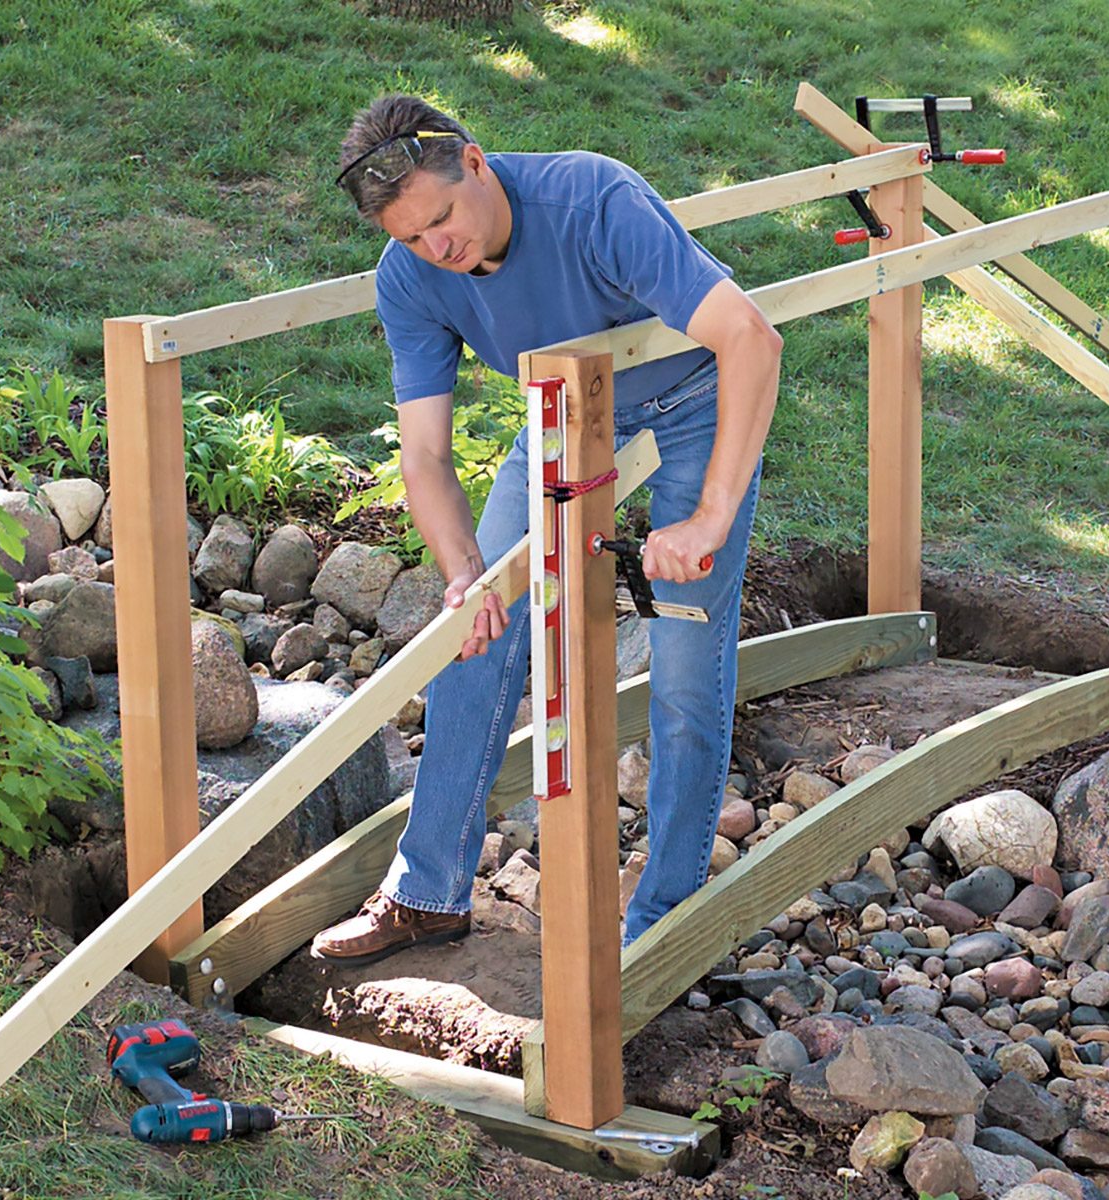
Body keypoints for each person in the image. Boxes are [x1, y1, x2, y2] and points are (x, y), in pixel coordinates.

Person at [311, 94, 781, 966]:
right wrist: (463, 573)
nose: (437, 248)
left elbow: (751, 338)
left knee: (684, 657)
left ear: (478, 162)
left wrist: (711, 513)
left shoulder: (594, 201)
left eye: (444, 220)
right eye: (414, 237)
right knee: (472, 632)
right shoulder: (409, 274)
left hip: (691, 408)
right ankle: (427, 892)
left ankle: (664, 919)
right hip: (559, 418)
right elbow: (424, 456)